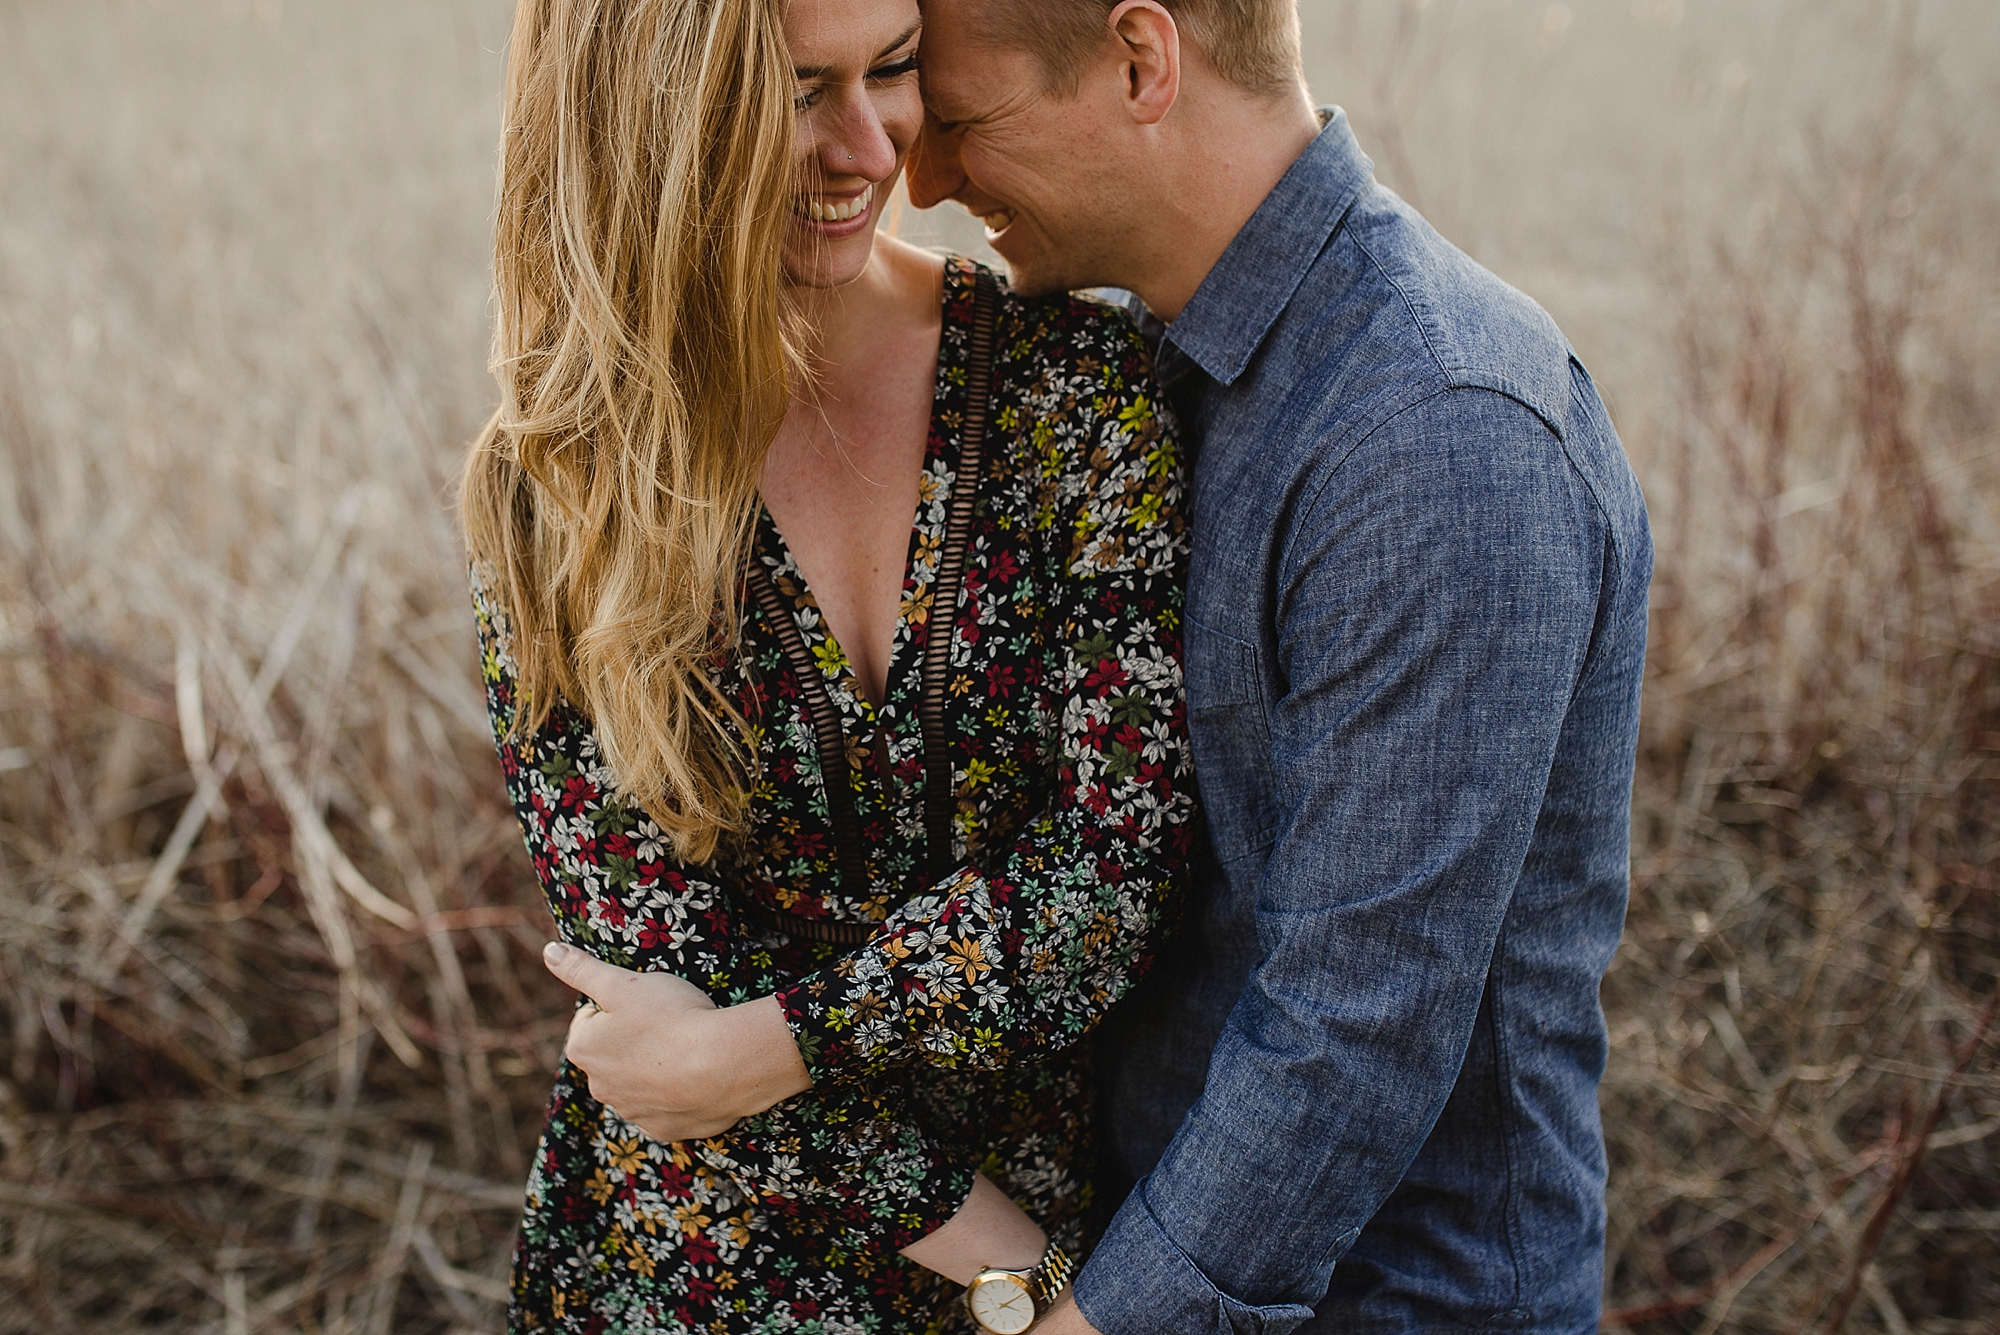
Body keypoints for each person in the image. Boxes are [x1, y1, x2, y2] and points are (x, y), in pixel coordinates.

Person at [903, 3, 1653, 1333]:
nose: (928, 179)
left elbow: (1354, 1024)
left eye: (963, 121)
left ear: (1143, 62)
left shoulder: (1435, 435)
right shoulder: (1131, 373)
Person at [459, 0, 1195, 1330]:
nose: (869, 148)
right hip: (700, 1271)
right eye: (796, 93)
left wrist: (776, 1043)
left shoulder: (1076, 386)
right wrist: (1022, 1279)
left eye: (893, 70)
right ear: (654, 114)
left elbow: (1112, 879)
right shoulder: (563, 478)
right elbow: (652, 1017)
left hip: (1068, 1246)